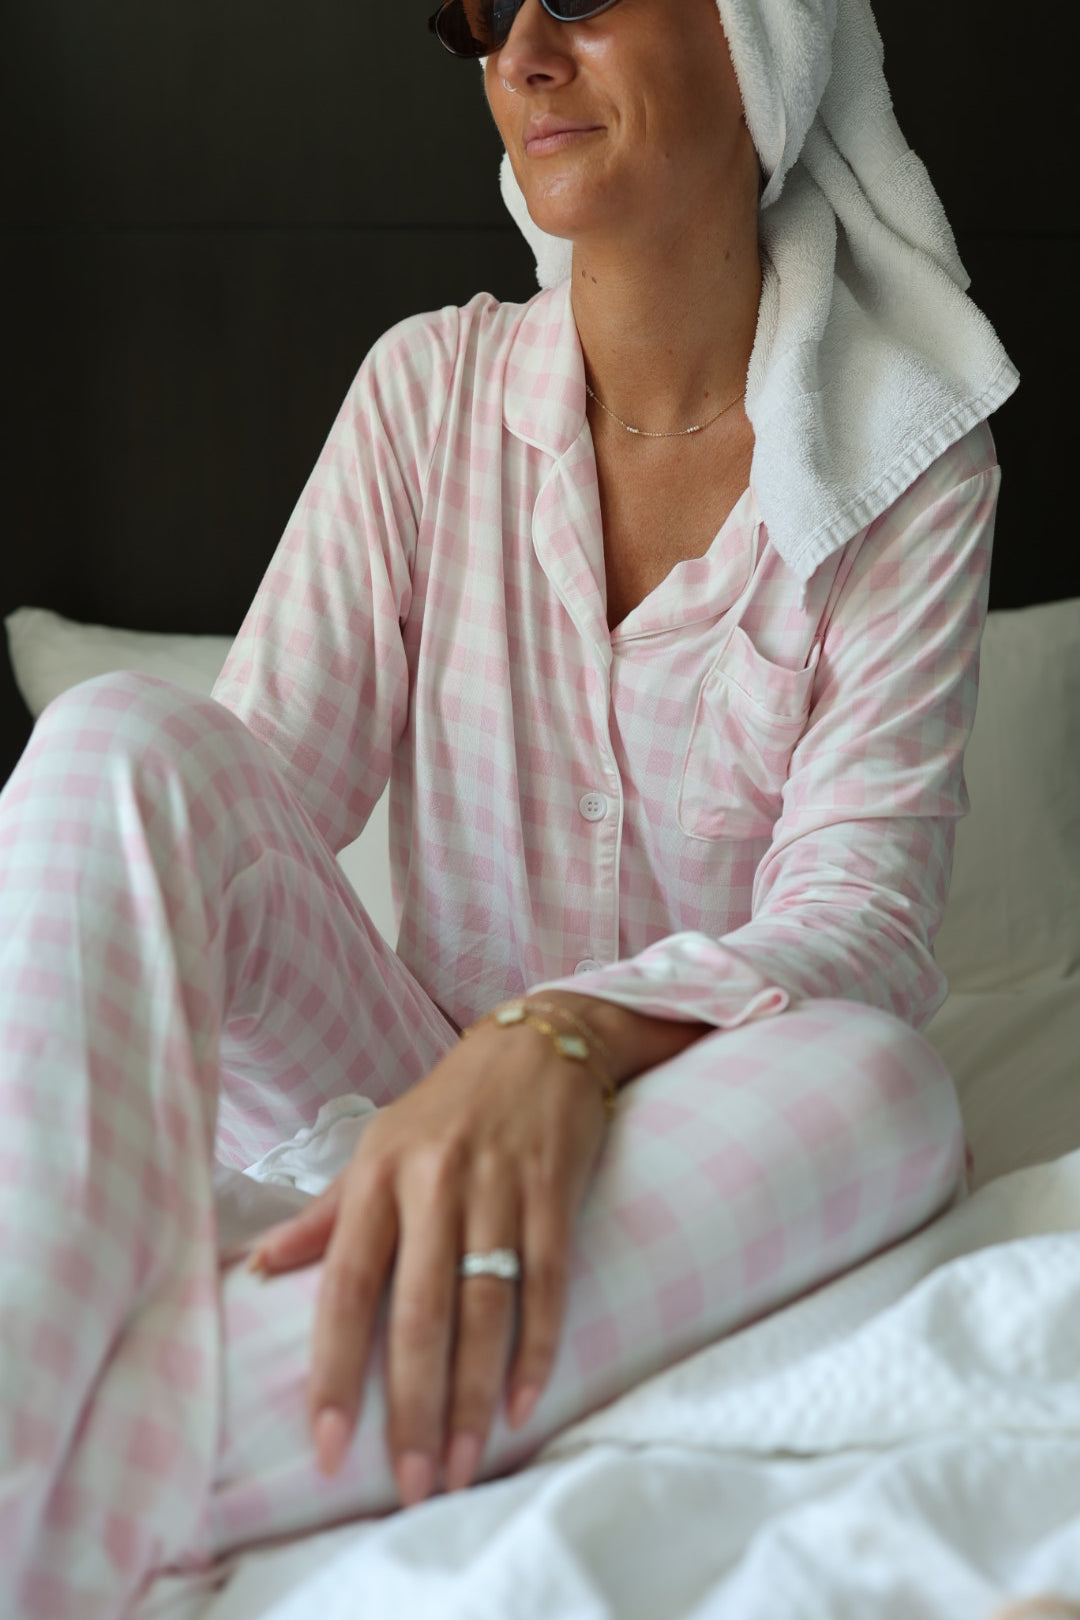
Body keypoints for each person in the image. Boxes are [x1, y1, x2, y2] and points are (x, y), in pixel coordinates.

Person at [0, 0, 1018, 1614]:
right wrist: (458, 1064)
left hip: (685, 1132)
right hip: (391, 1091)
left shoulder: (908, 471)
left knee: (885, 1086)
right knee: (115, 741)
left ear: (763, 40)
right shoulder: (427, 391)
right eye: (482, 15)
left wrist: (560, 1041)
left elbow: (864, 923)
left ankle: (77, 1477)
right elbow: (239, 814)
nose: (522, 57)